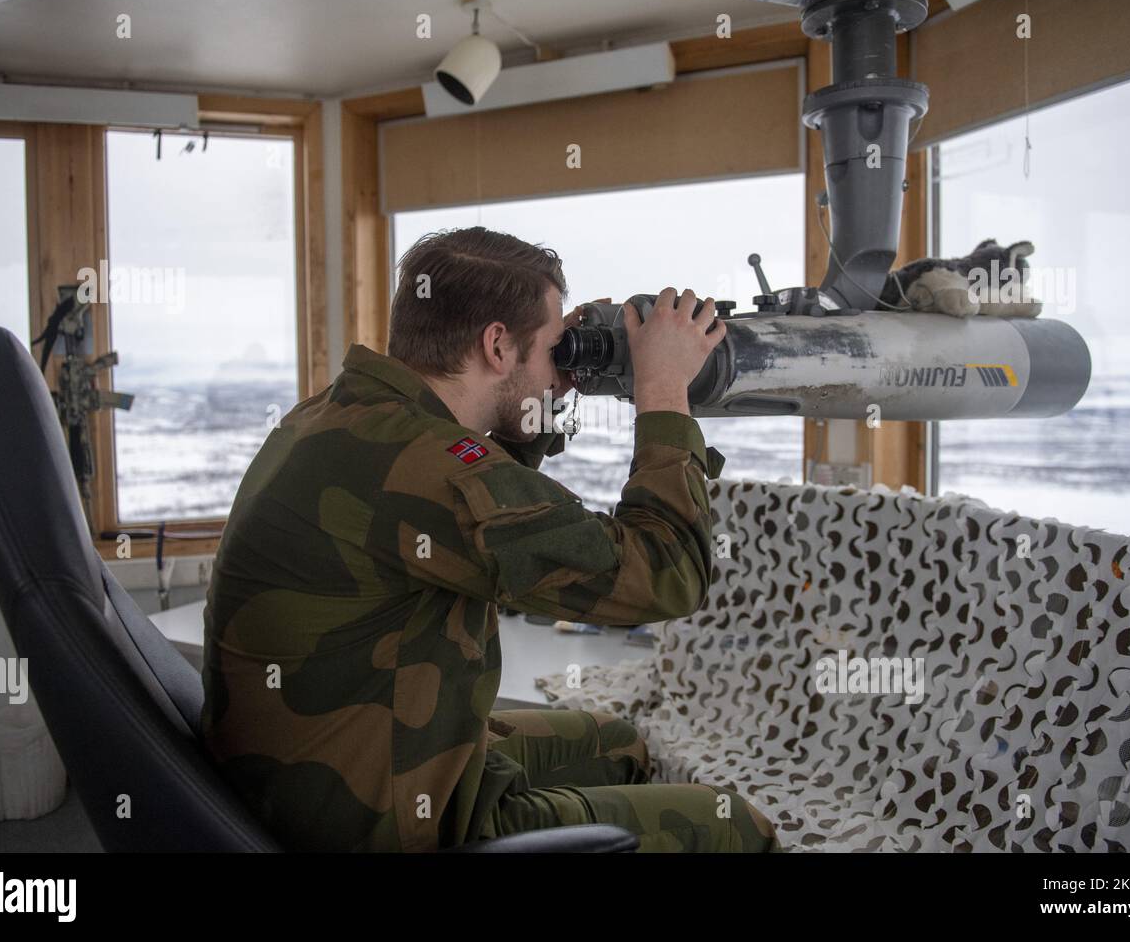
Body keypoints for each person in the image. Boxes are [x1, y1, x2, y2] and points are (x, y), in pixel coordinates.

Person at [200, 225, 781, 853]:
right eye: (553, 347)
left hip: (321, 769)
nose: (561, 362)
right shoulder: (435, 467)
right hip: (391, 822)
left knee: (620, 743)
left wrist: (546, 380)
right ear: (497, 344)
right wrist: (664, 392)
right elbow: (667, 575)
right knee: (736, 827)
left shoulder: (345, 414)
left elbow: (475, 500)